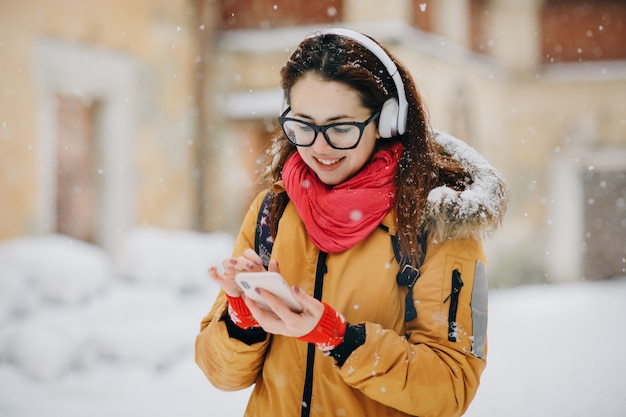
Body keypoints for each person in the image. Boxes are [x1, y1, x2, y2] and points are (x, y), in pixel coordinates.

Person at [195, 28, 509, 417]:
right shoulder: (272, 212)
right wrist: (243, 317)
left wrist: (339, 339)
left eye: (341, 128)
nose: (318, 147)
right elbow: (220, 374)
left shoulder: (437, 224)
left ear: (387, 121)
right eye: (303, 126)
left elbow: (450, 387)